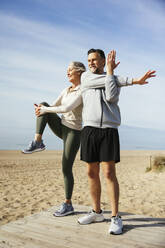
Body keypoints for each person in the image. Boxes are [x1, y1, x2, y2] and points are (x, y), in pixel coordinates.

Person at [77, 49, 156, 234]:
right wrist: (133, 81)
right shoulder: (85, 78)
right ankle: (96, 212)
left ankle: (115, 216)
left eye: (95, 60)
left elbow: (111, 96)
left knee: (109, 173)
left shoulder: (111, 78)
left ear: (103, 61)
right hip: (89, 129)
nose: (91, 63)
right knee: (91, 172)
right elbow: (110, 81)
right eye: (89, 60)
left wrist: (111, 74)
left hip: (109, 130)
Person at [22, 61, 86, 217]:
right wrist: (41, 110)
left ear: (79, 72)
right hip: (61, 126)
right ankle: (38, 141)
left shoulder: (82, 90)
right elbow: (52, 106)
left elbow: (65, 108)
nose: (67, 72)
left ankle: (68, 204)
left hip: (74, 132)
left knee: (65, 167)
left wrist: (45, 110)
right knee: (44, 105)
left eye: (70, 70)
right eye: (67, 70)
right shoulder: (66, 90)